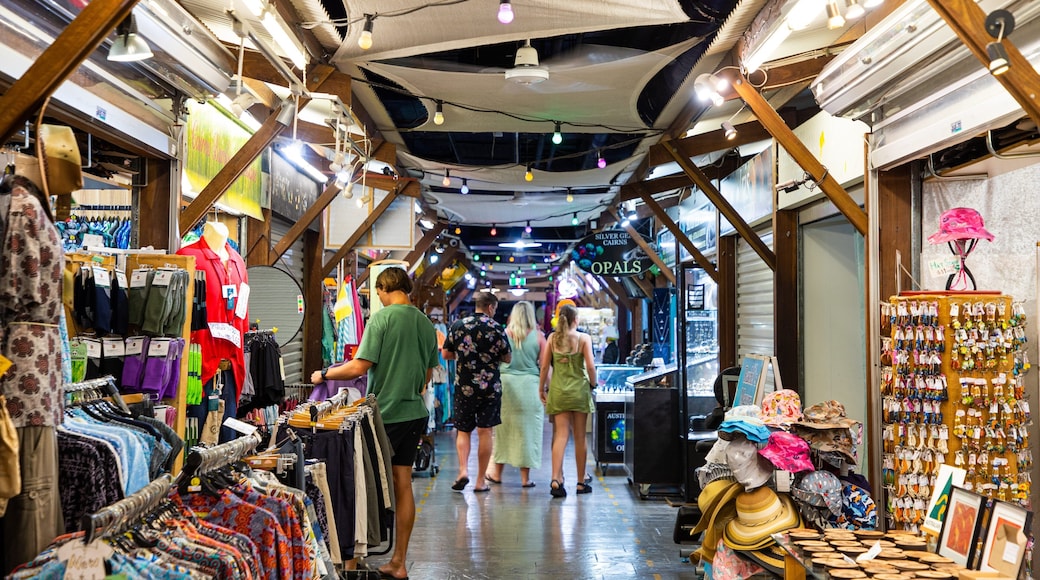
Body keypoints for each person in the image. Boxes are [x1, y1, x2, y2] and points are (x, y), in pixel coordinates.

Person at [310, 266, 438, 580]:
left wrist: (324, 374)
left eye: (378, 292)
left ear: (383, 288)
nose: (378, 298)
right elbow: (427, 376)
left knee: (363, 482)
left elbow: (358, 367)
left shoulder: (381, 319)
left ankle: (352, 562)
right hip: (414, 413)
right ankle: (399, 562)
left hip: (385, 415)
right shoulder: (424, 322)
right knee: (403, 483)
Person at [442, 291, 511, 493]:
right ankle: (480, 481)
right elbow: (507, 358)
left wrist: (463, 356)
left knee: (463, 430)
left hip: (464, 387)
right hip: (490, 388)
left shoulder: (458, 326)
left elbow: (445, 353)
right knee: (485, 431)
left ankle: (463, 470)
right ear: (490, 307)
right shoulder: (496, 328)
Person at [484, 301, 545, 488]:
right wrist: (545, 389)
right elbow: (544, 367)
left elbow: (493, 361)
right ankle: (525, 479)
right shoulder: (539, 337)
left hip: (506, 386)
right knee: (528, 433)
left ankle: (497, 473)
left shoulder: (503, 334)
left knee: (503, 431)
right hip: (530, 387)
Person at [539, 304, 597, 498]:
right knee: (580, 437)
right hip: (579, 392)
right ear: (576, 320)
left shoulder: (552, 339)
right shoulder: (583, 338)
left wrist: (541, 388)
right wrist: (593, 383)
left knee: (560, 436)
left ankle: (556, 479)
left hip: (559, 392)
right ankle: (580, 482)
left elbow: (544, 366)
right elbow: (590, 367)